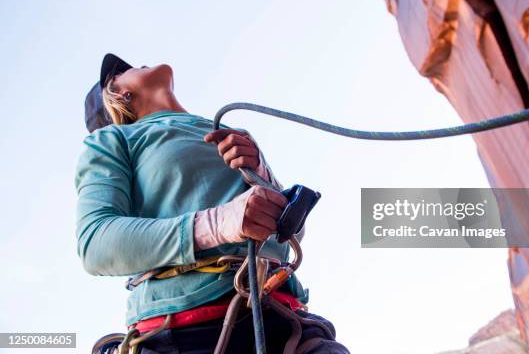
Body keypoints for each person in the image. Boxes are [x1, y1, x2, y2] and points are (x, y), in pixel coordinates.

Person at [76, 53, 350, 353]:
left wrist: (261, 172)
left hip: (286, 320)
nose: (136, 65)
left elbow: (291, 238)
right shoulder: (113, 140)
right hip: (185, 330)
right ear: (119, 94)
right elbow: (95, 243)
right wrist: (219, 224)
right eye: (122, 72)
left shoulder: (233, 135)